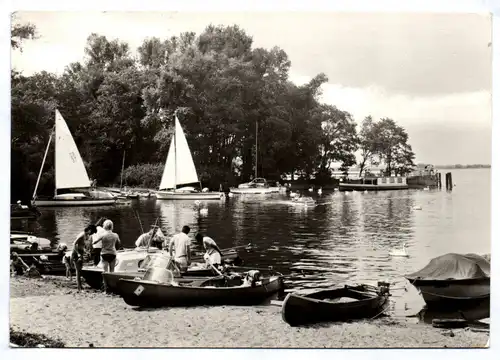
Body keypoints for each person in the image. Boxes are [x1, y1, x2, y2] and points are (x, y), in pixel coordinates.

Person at [72, 224, 97, 291]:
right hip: (76, 253)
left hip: (81, 252)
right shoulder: (82, 234)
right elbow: (74, 244)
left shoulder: (87, 235)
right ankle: (79, 288)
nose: (92, 234)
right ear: (89, 230)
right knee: (78, 271)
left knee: (80, 270)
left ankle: (80, 286)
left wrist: (87, 252)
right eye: (92, 232)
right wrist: (78, 254)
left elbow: (83, 246)